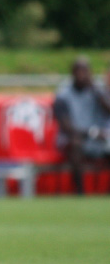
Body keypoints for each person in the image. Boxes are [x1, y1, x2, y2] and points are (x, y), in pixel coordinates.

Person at [52, 58, 110, 195]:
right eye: (79, 71)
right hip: (73, 139)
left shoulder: (97, 91)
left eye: (86, 71)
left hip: (97, 140)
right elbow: (66, 128)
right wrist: (92, 132)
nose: (82, 75)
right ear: (72, 73)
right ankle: (80, 192)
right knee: (76, 143)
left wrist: (97, 92)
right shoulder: (63, 95)